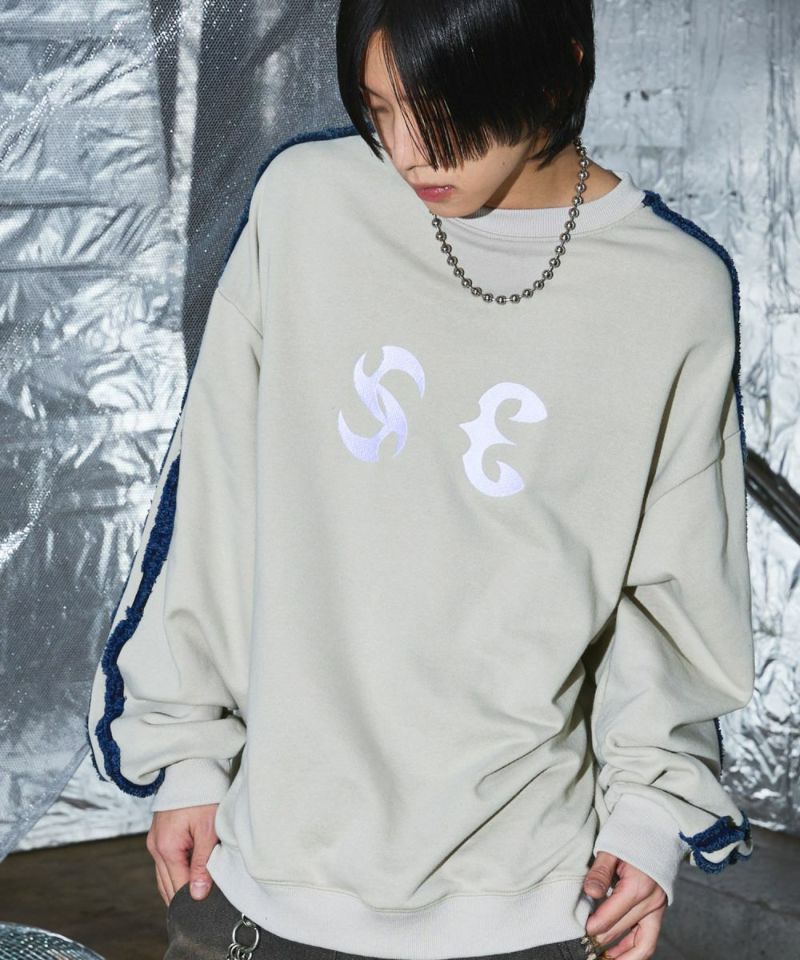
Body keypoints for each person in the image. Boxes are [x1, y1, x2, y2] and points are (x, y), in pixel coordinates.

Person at [85, 2, 756, 959]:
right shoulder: (308, 207)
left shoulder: (670, 290)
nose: (406, 152)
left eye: (441, 113)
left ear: (558, 67)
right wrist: (187, 752)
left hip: (528, 905)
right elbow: (214, 498)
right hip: (262, 879)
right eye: (378, 109)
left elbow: (670, 597)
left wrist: (650, 818)